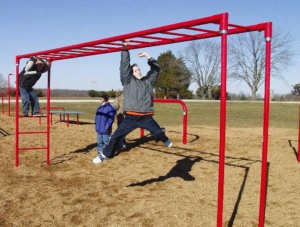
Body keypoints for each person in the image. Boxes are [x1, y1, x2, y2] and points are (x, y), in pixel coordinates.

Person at [95, 39, 172, 164]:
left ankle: (164, 138)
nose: (138, 71)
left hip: (146, 116)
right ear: (131, 73)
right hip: (131, 117)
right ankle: (104, 155)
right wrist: (125, 48)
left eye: (139, 69)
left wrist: (148, 56)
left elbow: (156, 69)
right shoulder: (128, 81)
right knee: (116, 136)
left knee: (158, 131)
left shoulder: (148, 82)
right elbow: (124, 67)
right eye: (135, 70)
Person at [93, 94, 116, 164]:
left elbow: (111, 118)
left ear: (105, 100)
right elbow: (96, 117)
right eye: (99, 99)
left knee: (106, 142)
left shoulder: (110, 108)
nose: (100, 100)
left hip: (105, 129)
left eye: (101, 99)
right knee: (99, 142)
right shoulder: (99, 108)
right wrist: (96, 124)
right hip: (99, 128)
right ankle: (100, 153)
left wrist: (107, 126)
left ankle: (106, 154)